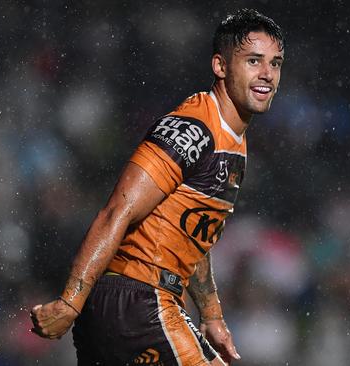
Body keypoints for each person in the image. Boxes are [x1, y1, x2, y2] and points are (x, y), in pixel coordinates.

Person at [30, 8, 284, 366]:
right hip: (139, 300)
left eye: (275, 63)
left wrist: (211, 315)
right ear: (220, 66)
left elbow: (192, 234)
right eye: (253, 61)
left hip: (130, 304)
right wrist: (70, 301)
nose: (267, 74)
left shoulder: (233, 141)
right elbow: (118, 210)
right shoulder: (193, 128)